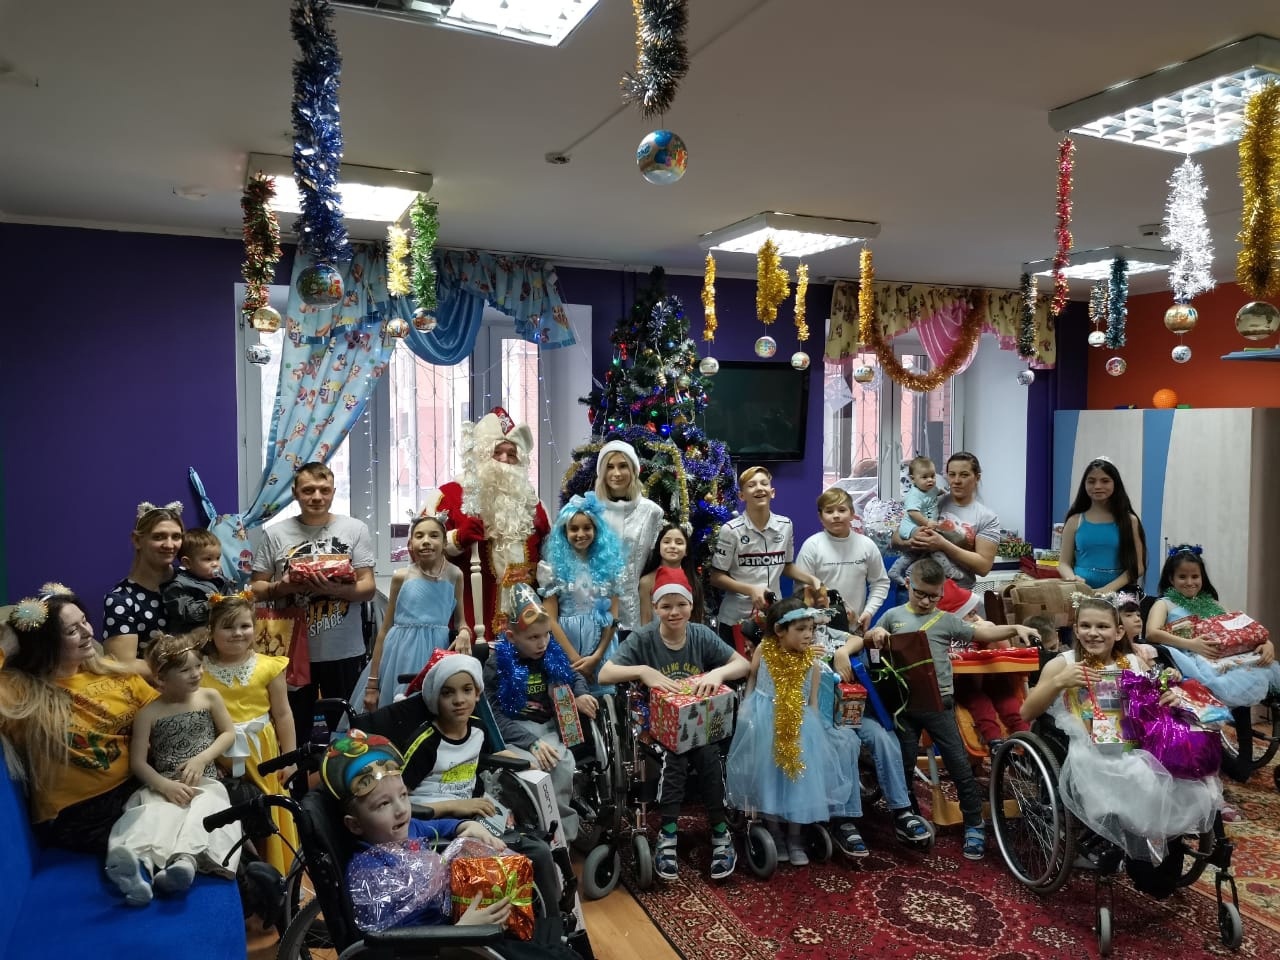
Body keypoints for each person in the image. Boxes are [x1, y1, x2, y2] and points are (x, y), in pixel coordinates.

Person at [1020, 596, 1221, 863]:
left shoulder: (1133, 662)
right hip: (1087, 741)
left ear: (1118, 632)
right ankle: (1135, 845)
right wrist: (1058, 682)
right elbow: (1027, 713)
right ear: (1076, 630)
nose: (1093, 633)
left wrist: (1170, 693)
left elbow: (1156, 696)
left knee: (1184, 768)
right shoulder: (1062, 663)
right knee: (1138, 774)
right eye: (1086, 626)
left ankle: (1166, 846)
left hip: (1136, 736)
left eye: (1102, 627)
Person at [866, 558, 1038, 860]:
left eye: (933, 596)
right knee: (904, 765)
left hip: (939, 704)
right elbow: (868, 639)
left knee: (959, 766)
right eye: (920, 593)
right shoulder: (893, 616)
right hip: (904, 706)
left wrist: (1015, 627)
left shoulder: (946, 620)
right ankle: (909, 819)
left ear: (942, 593)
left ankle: (974, 823)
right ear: (908, 584)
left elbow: (982, 634)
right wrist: (875, 635)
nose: (926, 601)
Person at [598, 567, 751, 881]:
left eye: (681, 604)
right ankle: (667, 835)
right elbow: (605, 674)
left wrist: (717, 673)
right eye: (666, 606)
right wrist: (643, 671)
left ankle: (720, 832)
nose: (674, 612)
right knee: (675, 756)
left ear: (691, 606)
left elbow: (743, 665)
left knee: (708, 755)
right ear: (655, 607)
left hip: (697, 724)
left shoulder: (700, 635)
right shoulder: (644, 638)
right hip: (657, 725)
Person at [0, 585, 159, 862]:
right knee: (181, 816)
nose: (88, 632)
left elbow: (167, 716)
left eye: (85, 621)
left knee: (216, 797)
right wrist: (7, 645)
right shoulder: (20, 691)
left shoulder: (117, 674)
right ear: (46, 643)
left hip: (138, 785)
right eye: (73, 630)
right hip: (79, 813)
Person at [105, 633, 242, 906]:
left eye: (198, 666)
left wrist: (202, 759)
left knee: (205, 813)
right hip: (163, 786)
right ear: (161, 678)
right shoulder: (148, 714)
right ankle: (138, 871)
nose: (196, 673)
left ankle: (184, 862)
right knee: (150, 817)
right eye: (185, 670)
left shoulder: (209, 697)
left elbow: (228, 733)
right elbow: (138, 763)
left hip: (205, 784)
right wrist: (165, 786)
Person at [322, 731, 507, 930]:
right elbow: (389, 940)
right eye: (384, 804)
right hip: (439, 941)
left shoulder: (409, 829)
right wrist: (463, 929)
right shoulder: (368, 873)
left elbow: (439, 825)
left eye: (403, 795)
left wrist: (466, 825)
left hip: (453, 921)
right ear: (355, 825)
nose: (401, 809)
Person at [725, 598, 861, 865]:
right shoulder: (764, 651)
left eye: (811, 628)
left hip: (799, 723)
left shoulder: (812, 663)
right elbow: (752, 678)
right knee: (769, 778)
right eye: (800, 629)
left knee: (798, 781)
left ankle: (795, 836)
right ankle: (774, 832)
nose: (808, 634)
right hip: (765, 719)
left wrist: (812, 732)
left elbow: (812, 702)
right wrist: (747, 709)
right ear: (780, 631)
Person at [251, 461, 377, 741]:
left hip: (344, 649)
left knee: (345, 731)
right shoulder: (275, 533)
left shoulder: (355, 529)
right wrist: (281, 587)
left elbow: (368, 587)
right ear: (295, 493)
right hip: (288, 650)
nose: (317, 497)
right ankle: (296, 770)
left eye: (324, 490)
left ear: (333, 492)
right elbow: (255, 589)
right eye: (308, 490)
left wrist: (335, 589)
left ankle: (336, 770)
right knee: (293, 728)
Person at [812, 588, 933, 851]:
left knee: (883, 736)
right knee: (846, 744)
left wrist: (842, 652)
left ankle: (901, 810)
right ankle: (844, 819)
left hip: (851, 710)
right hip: (819, 718)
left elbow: (858, 639)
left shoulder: (830, 635)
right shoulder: (795, 642)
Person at [423, 406, 551, 641]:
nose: (504, 460)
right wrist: (456, 539)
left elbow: (552, 557)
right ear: (481, 456)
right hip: (468, 630)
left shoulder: (535, 505)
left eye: (512, 454)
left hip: (528, 635)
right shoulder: (448, 497)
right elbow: (417, 552)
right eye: (496, 452)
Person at [484, 584, 595, 843]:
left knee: (561, 764)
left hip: (548, 727)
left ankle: (563, 836)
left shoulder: (551, 654)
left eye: (546, 635)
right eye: (533, 637)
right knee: (533, 769)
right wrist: (530, 743)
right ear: (511, 637)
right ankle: (534, 830)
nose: (542, 643)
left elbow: (574, 674)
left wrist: (579, 693)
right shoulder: (496, 664)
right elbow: (494, 716)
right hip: (514, 731)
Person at [199, 592, 299, 876]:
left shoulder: (269, 666)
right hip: (222, 753)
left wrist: (290, 759)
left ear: (255, 627)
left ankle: (279, 871)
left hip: (262, 752)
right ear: (211, 631)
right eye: (227, 627)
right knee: (233, 811)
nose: (237, 633)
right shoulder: (200, 671)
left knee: (269, 806)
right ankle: (243, 873)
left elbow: (283, 714)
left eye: (245, 626)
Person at [354, 514, 467, 712]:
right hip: (399, 654)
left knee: (430, 710)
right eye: (419, 536)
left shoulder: (455, 574)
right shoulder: (401, 577)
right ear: (411, 543)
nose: (426, 541)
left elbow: (461, 622)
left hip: (436, 654)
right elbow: (384, 629)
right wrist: (372, 683)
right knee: (399, 709)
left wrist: (464, 632)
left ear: (444, 542)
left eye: (434, 535)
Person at [1145, 546, 1280, 709]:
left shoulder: (1214, 604)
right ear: (1171, 579)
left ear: (1202, 577)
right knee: (1221, 684)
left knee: (1253, 672)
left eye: (1195, 576)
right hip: (1190, 662)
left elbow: (1240, 632)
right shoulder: (1164, 604)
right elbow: (1151, 633)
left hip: (1226, 660)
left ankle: (1241, 725)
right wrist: (1191, 644)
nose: (1189, 582)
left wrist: (1266, 643)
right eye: (1182, 577)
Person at [710, 465, 823, 652]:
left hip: (775, 618)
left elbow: (786, 566)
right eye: (751, 485)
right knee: (741, 669)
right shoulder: (730, 530)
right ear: (742, 496)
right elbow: (716, 577)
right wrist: (751, 589)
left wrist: (812, 579)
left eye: (764, 483)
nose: (759, 488)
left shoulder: (785, 525)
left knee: (773, 669)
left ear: (772, 492)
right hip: (735, 618)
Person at [537, 493, 622, 693]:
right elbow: (550, 619)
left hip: (602, 647)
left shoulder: (608, 566)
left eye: (587, 528)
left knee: (604, 699)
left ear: (596, 530)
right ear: (564, 532)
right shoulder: (553, 568)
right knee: (570, 699)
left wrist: (597, 656)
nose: (581, 534)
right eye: (574, 529)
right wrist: (575, 659)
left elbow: (614, 616)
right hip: (567, 646)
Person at [891, 452, 999, 590]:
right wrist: (911, 542)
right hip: (915, 589)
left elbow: (983, 567)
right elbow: (895, 539)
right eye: (952, 474)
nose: (956, 480)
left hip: (957, 592)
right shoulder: (931, 500)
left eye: (964, 475)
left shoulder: (987, 517)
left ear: (977, 477)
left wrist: (943, 545)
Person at [794, 487, 890, 633]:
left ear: (852, 514)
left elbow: (880, 582)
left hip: (855, 629)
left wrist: (869, 612)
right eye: (829, 511)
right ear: (820, 517)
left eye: (842, 510)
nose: (836, 516)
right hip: (818, 631)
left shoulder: (867, 545)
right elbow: (802, 591)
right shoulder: (811, 546)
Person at [595, 440, 665, 636]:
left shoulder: (651, 512)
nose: (616, 473)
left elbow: (659, 561)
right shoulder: (592, 510)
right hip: (598, 608)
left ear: (633, 470)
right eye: (610, 467)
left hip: (639, 609)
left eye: (623, 466)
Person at [104, 501, 185, 669]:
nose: (169, 545)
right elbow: (123, 664)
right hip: (153, 685)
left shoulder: (193, 580)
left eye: (176, 537)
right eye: (158, 537)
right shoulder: (121, 600)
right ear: (137, 540)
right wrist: (182, 670)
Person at [1057, 457, 1147, 593]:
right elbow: (1063, 563)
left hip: (1119, 595)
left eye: (1105, 481)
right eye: (1091, 481)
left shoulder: (1130, 521)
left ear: (1115, 484)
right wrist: (1073, 579)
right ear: (1084, 485)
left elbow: (1138, 567)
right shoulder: (1074, 520)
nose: (1097, 486)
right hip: (1080, 594)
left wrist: (1107, 589)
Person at [161, 528, 231, 635]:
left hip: (216, 635)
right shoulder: (178, 585)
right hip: (190, 640)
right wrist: (211, 605)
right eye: (208, 559)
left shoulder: (220, 580)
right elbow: (186, 613)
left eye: (217, 558)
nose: (215, 564)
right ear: (187, 563)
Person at [638, 524, 707, 626]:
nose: (673, 546)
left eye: (679, 543)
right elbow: (645, 622)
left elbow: (697, 620)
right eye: (667, 542)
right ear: (659, 547)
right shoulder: (647, 582)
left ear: (686, 551)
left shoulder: (693, 581)